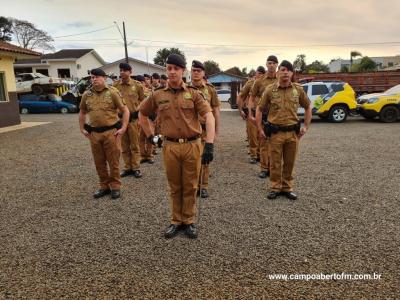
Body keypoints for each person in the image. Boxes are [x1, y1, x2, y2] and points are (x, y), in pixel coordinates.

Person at [139, 54, 215, 239]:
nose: (172, 72)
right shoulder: (157, 95)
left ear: (183, 71)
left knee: (190, 185)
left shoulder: (194, 94)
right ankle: (175, 220)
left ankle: (188, 221)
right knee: (174, 186)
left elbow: (210, 117)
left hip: (192, 145)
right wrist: (151, 137)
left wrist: (210, 144)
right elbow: (141, 114)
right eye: (169, 68)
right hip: (170, 146)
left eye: (176, 68)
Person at [257, 60, 312, 200]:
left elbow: (307, 107)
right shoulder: (270, 90)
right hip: (276, 133)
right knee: (275, 162)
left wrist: (306, 126)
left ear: (292, 73)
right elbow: (259, 108)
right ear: (278, 72)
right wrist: (259, 128)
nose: (285, 72)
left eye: (288, 70)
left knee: (290, 162)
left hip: (293, 133)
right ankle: (275, 187)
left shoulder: (298, 90)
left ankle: (287, 187)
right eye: (283, 69)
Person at [79, 68, 129, 199]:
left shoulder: (113, 92)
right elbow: (82, 112)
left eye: (97, 77)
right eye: (92, 77)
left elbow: (125, 110)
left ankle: (116, 187)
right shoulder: (87, 95)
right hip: (94, 134)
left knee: (113, 162)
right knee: (99, 162)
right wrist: (82, 128)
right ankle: (104, 186)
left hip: (111, 132)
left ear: (104, 78)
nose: (94, 79)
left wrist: (123, 128)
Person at [190, 60, 221, 198]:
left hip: (204, 131)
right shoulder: (184, 88)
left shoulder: (210, 89)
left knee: (205, 159)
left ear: (203, 73)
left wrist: (216, 131)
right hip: (190, 131)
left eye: (198, 71)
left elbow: (216, 111)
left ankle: (203, 186)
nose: (196, 73)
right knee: (190, 160)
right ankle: (192, 186)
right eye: (193, 70)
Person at [113, 63, 145, 178]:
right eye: (120, 70)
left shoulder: (137, 85)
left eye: (124, 70)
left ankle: (136, 167)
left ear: (130, 72)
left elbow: (143, 101)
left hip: (133, 120)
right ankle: (127, 167)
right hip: (121, 120)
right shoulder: (115, 86)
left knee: (135, 145)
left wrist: (139, 113)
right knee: (124, 145)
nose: (122, 72)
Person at [250, 55, 279, 178]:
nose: (271, 65)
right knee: (263, 143)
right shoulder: (259, 81)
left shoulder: (281, 79)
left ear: (277, 65)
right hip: (263, 115)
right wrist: (250, 114)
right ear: (266, 64)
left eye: (274, 63)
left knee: (276, 144)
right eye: (269, 63)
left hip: (278, 117)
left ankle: (273, 168)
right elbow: (252, 97)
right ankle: (264, 168)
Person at [244, 66, 265, 164]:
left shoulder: (266, 84)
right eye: (258, 73)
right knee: (252, 136)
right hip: (252, 111)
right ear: (255, 74)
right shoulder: (250, 84)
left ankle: (260, 154)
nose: (260, 75)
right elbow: (242, 96)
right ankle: (253, 155)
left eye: (262, 73)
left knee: (261, 135)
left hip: (262, 112)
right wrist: (242, 110)